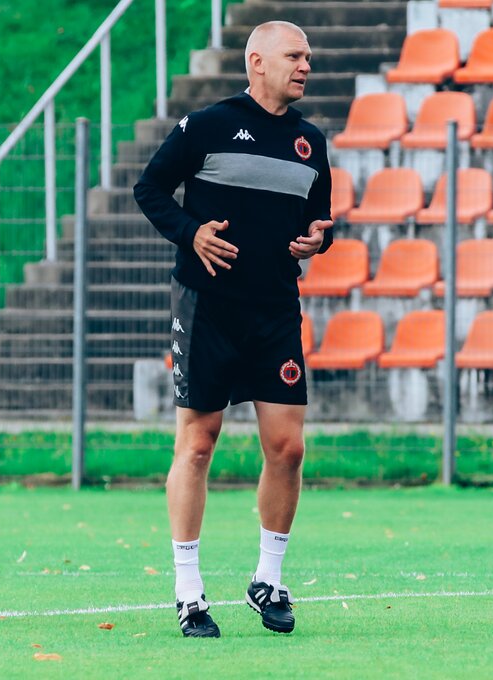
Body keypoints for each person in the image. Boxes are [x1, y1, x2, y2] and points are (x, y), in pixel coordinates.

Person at [133, 20, 333, 638]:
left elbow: (318, 219)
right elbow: (149, 188)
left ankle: (268, 580)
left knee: (288, 448)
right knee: (198, 442)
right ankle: (188, 592)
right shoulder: (208, 125)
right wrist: (190, 232)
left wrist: (318, 240)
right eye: (294, 55)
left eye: (308, 56)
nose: (305, 65)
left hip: (274, 308)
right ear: (257, 62)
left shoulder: (310, 141)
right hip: (208, 305)